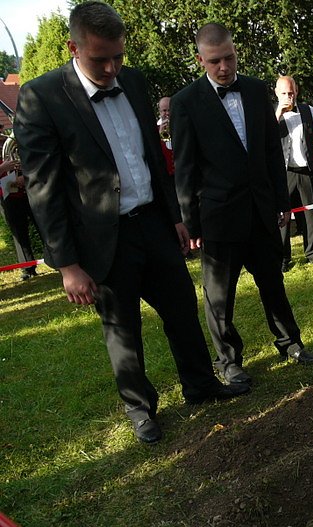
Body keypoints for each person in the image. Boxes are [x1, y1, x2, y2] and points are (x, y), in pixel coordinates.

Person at [14, 1, 249, 444]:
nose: (112, 68)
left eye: (118, 56)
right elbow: (43, 189)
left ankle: (200, 384)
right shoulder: (41, 96)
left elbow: (151, 158)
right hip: (103, 238)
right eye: (100, 58)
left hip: (153, 224)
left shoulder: (135, 81)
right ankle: (140, 408)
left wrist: (174, 216)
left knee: (181, 309)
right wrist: (67, 265)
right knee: (123, 328)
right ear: (73, 47)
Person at [171, 23, 313, 389]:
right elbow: (185, 168)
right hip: (218, 216)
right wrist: (191, 223)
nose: (223, 67)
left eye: (229, 58)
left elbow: (272, 150)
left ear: (236, 53)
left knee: (273, 282)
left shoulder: (256, 91)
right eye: (214, 61)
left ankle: (291, 343)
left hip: (261, 210)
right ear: (200, 60)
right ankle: (229, 361)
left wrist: (279, 201)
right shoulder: (185, 103)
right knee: (220, 296)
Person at [274, 75, 313, 271]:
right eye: (284, 93)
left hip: (307, 170)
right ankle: (283, 258)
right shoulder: (269, 114)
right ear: (277, 93)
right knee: (282, 216)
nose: (288, 97)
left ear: (297, 91)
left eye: (291, 93)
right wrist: (278, 114)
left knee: (311, 213)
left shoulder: (308, 111)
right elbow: (263, 139)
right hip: (282, 172)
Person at [0, 156, 38, 280]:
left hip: (30, 190)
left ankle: (59, 261)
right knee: (19, 233)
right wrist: (3, 168)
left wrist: (25, 176)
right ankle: (28, 268)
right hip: (8, 195)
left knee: (44, 226)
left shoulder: (9, 142)